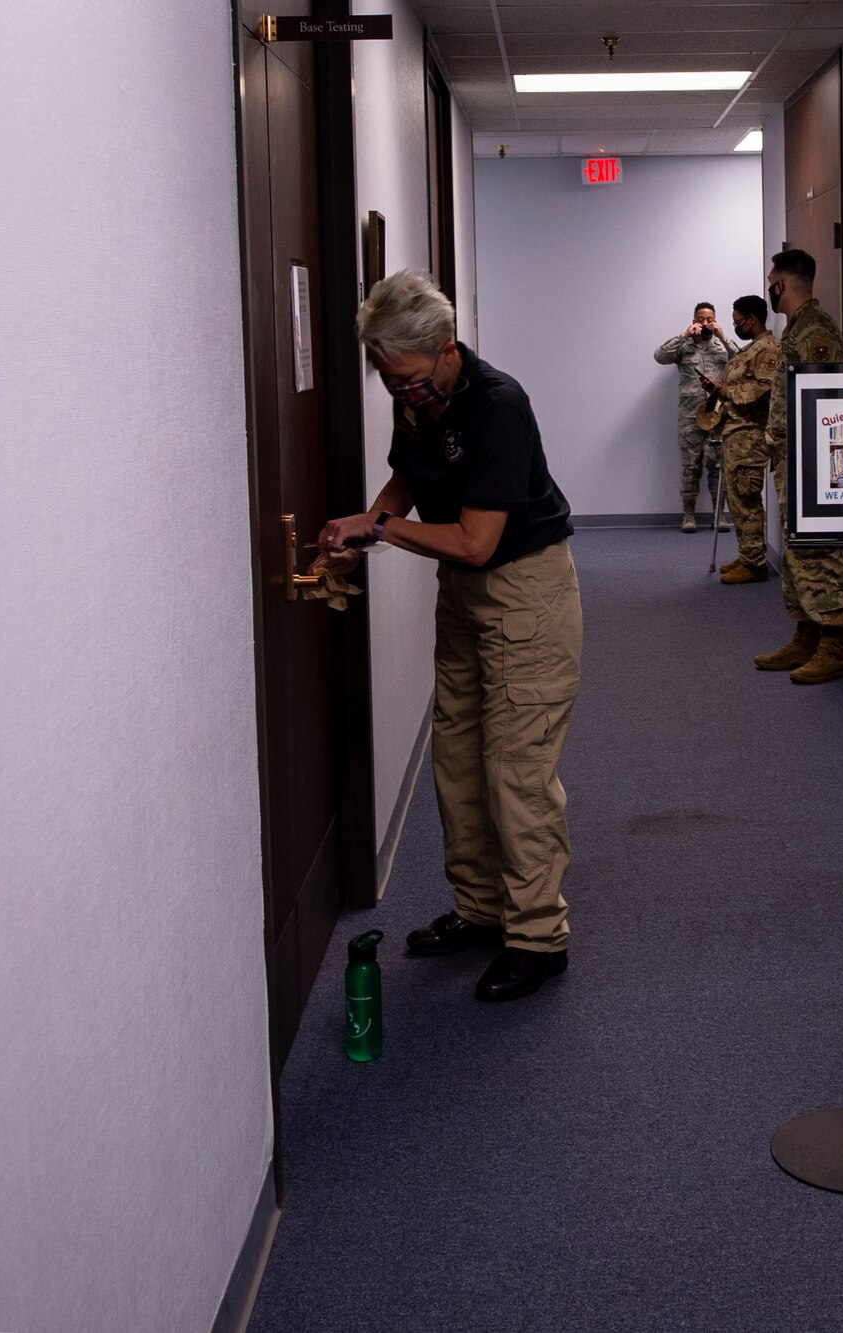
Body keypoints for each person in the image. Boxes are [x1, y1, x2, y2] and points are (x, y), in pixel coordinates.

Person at [315, 270, 583, 1003]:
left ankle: (536, 935)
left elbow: (474, 541)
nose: (393, 388)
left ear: (442, 350)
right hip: (464, 598)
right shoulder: (418, 398)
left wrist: (378, 529)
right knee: (458, 757)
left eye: (400, 374)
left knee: (516, 771)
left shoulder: (499, 405)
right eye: (381, 374)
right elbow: (407, 477)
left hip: (524, 589)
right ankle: (481, 909)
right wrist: (365, 524)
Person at [755, 249, 843, 685]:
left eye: (771, 281)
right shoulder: (796, 328)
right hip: (791, 460)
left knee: (819, 551)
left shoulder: (816, 329)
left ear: (781, 285)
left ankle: (833, 645)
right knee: (796, 550)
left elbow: (827, 399)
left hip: (812, 463)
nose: (769, 289)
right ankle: (806, 635)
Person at [709, 294, 782, 584]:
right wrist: (721, 388)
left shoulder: (768, 350)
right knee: (738, 500)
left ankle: (754, 565)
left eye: (738, 321)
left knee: (746, 498)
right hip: (736, 432)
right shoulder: (751, 350)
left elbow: (764, 389)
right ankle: (748, 553)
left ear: (752, 320)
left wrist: (728, 393)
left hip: (751, 434)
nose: (735, 326)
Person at [653, 301, 737, 532]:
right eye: (701, 319)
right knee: (691, 467)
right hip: (690, 417)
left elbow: (743, 361)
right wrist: (684, 335)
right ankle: (688, 516)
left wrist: (724, 336)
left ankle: (719, 516)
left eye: (710, 319)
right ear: (694, 322)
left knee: (717, 466)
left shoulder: (722, 347)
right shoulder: (684, 346)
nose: (705, 323)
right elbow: (660, 356)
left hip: (717, 414)